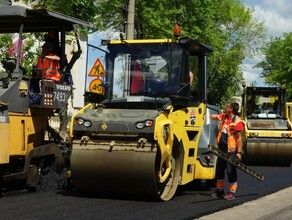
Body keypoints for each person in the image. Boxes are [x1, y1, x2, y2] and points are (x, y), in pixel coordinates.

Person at [210, 102, 245, 200]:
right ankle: (220, 190)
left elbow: (239, 139)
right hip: (222, 148)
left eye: (227, 106)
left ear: (231, 109)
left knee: (231, 171)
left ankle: (232, 192)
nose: (225, 107)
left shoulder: (237, 122)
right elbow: (213, 117)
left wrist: (239, 152)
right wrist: (211, 115)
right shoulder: (224, 117)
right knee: (220, 170)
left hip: (231, 150)